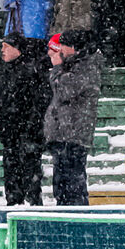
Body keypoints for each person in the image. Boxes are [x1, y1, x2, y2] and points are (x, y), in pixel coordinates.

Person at [0, 31, 50, 205]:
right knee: (12, 181)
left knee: (30, 179)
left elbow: (41, 102)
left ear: (18, 49)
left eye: (6, 46)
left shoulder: (33, 71)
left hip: (29, 135)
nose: (2, 50)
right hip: (10, 136)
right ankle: (14, 206)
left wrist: (30, 125)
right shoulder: (2, 74)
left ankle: (32, 208)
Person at [42, 29, 103, 206]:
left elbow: (65, 90)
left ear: (74, 48)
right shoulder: (73, 65)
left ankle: (77, 215)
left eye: (63, 45)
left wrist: (57, 68)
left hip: (74, 134)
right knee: (61, 184)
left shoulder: (86, 67)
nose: (60, 49)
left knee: (73, 183)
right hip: (63, 134)